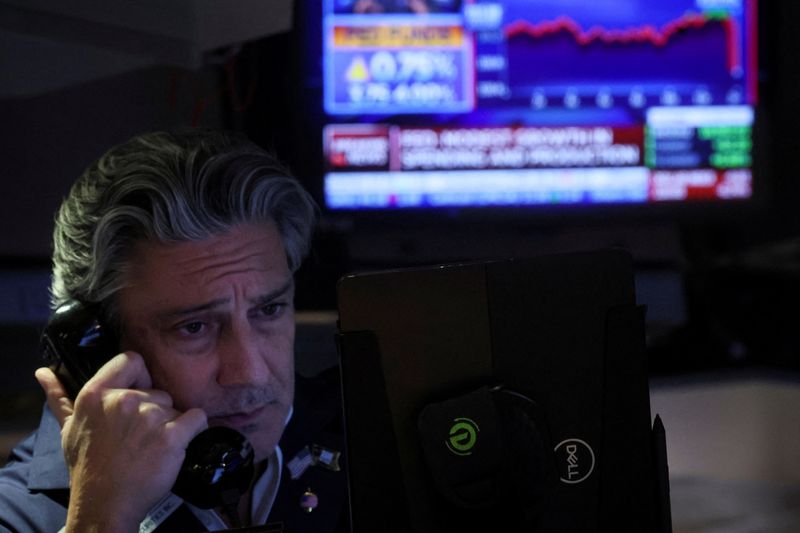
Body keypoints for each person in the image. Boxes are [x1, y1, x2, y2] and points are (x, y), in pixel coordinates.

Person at [0, 130, 349, 532]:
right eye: (194, 327)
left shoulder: (375, 430)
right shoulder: (17, 514)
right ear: (95, 348)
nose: (251, 372)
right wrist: (99, 521)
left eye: (268, 309)